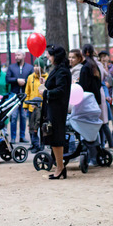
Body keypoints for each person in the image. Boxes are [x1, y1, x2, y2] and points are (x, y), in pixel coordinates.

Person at [41, 45, 71, 179]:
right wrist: (45, 84)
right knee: (54, 138)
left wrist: (45, 92)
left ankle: (60, 168)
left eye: (50, 55)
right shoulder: (59, 69)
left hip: (57, 109)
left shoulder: (62, 71)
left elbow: (61, 91)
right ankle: (60, 167)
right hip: (53, 108)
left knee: (57, 138)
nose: (48, 57)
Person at [5, 50, 33, 143]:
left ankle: (22, 136)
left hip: (25, 96)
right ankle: (13, 137)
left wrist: (24, 81)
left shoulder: (29, 67)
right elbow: (8, 79)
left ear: (24, 56)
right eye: (15, 55)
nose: (16, 57)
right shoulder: (11, 67)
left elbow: (32, 78)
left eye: (18, 55)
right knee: (13, 117)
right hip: (14, 96)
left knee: (24, 116)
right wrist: (17, 80)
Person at [24, 61, 48, 152]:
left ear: (41, 67)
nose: (35, 68)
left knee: (41, 127)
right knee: (31, 126)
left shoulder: (47, 77)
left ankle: (41, 145)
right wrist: (25, 105)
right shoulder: (30, 77)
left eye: (37, 66)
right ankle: (33, 144)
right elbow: (27, 91)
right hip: (32, 107)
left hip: (42, 107)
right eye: (34, 66)